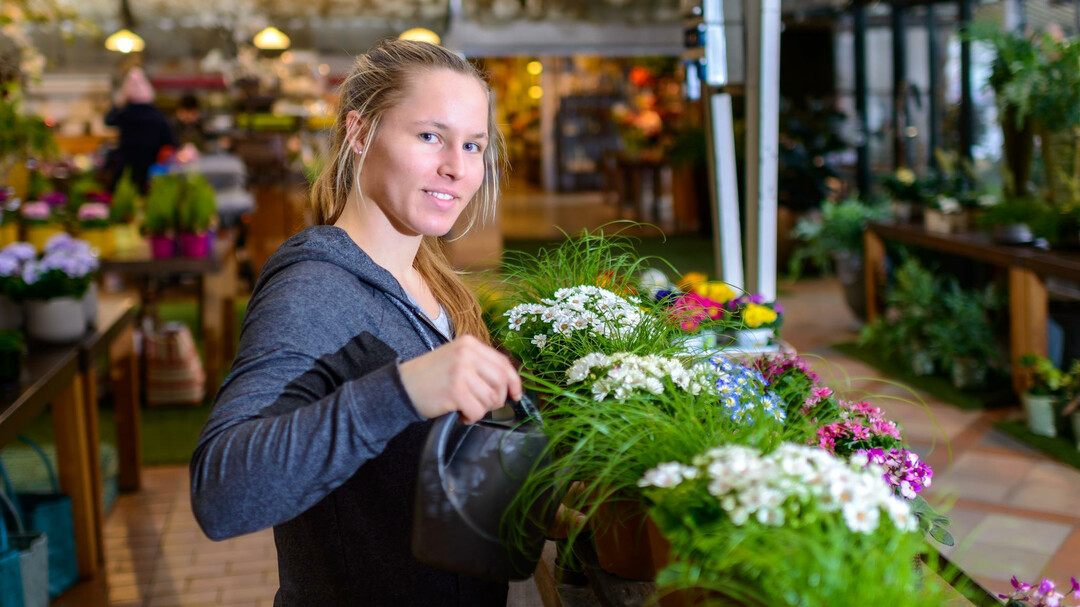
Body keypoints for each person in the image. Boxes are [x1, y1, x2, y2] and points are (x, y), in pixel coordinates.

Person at [189, 39, 522, 606]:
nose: (457, 167)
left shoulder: (435, 281)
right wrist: (402, 391)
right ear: (360, 133)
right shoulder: (316, 290)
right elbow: (222, 493)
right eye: (430, 136)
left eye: (473, 145)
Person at [104, 67, 176, 193]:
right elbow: (170, 140)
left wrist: (119, 103)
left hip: (127, 165)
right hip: (150, 167)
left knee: (123, 194)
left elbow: (108, 120)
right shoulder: (156, 114)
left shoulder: (125, 113)